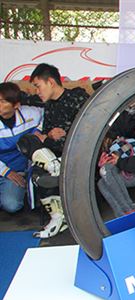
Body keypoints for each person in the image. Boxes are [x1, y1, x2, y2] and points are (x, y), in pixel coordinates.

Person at [16, 63, 90, 238]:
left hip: (76, 151)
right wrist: (48, 135)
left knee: (44, 166)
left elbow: (86, 130)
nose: (37, 91)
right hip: (53, 153)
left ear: (50, 82)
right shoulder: (48, 104)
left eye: (38, 86)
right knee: (27, 143)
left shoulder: (77, 97)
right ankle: (58, 217)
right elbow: (46, 135)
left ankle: (53, 166)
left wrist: (59, 135)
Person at [0, 82, 43, 214]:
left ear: (16, 105)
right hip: (4, 170)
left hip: (18, 172)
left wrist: (38, 131)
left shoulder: (30, 113)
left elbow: (46, 115)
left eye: (2, 101)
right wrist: (5, 171)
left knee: (12, 205)